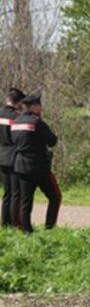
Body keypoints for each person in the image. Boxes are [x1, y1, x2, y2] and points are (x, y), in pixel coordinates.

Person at [12, 93, 59, 233]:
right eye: (39, 106)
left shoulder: (16, 122)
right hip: (38, 166)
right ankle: (49, 227)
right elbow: (52, 141)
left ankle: (26, 230)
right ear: (33, 106)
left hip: (20, 165)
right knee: (55, 196)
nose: (40, 108)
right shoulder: (37, 123)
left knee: (26, 200)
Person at [0, 88, 25, 228]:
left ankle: (4, 223)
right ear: (19, 102)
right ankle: (15, 223)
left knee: (6, 193)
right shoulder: (16, 117)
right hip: (14, 157)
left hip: (1, 156)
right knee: (16, 193)